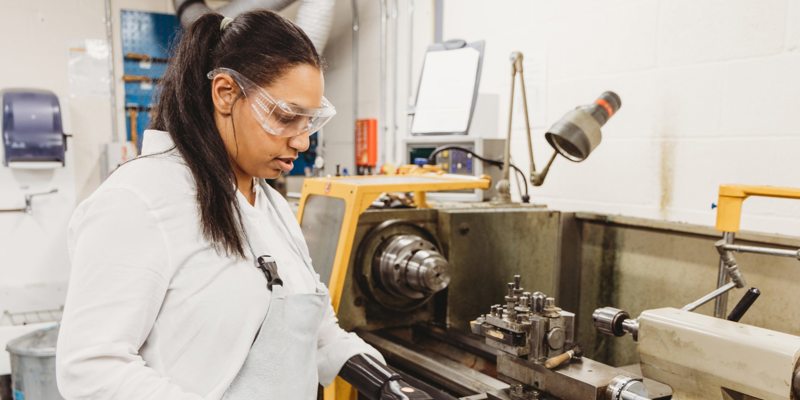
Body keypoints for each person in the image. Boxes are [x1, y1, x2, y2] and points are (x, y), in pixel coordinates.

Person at [56, 10, 427, 400]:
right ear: (225, 94)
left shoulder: (271, 207)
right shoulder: (140, 200)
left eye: (308, 122)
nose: (301, 142)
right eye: (285, 117)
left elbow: (317, 332)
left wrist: (387, 384)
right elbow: (91, 367)